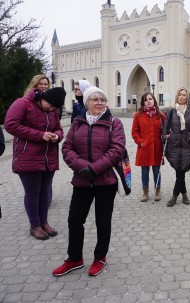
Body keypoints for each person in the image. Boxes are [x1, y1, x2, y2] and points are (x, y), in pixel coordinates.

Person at [52, 86, 126, 277]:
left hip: (105, 181)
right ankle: (75, 258)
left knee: (103, 221)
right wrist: (81, 166)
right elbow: (67, 148)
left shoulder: (114, 123)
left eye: (103, 99)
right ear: (86, 103)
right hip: (82, 180)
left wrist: (93, 169)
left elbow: (116, 150)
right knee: (74, 220)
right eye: (95, 99)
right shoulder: (77, 122)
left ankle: (100, 257)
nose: (100, 103)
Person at [4, 87, 66, 240]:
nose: (51, 109)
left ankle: (44, 223)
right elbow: (10, 125)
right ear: (43, 97)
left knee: (45, 190)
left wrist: (57, 136)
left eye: (54, 108)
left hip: (48, 156)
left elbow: (59, 128)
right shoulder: (22, 103)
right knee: (33, 192)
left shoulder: (53, 110)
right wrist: (40, 135)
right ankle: (35, 226)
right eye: (50, 105)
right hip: (28, 157)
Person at [163, 87, 190, 207]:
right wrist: (165, 137)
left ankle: (174, 196)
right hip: (174, 145)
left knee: (181, 171)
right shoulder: (171, 111)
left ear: (187, 97)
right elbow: (165, 127)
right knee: (180, 172)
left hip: (188, 146)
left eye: (184, 95)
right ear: (177, 96)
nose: (182, 97)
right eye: (180, 95)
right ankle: (184, 194)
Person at [132, 92, 166, 202]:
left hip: (157, 148)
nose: (148, 101)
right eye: (146, 99)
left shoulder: (161, 115)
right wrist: (140, 142)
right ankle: (145, 192)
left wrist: (166, 136)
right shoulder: (138, 115)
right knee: (144, 171)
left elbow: (165, 131)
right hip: (144, 148)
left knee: (157, 170)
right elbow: (134, 132)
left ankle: (157, 191)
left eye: (150, 99)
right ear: (143, 102)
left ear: (154, 100)